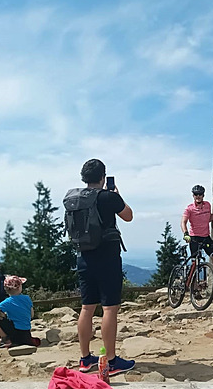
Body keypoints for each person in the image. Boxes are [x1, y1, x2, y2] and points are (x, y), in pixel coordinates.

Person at [74, 159, 135, 376]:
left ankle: (84, 359)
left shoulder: (76, 199)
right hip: (107, 257)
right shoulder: (108, 197)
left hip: (83, 257)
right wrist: (117, 194)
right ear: (102, 176)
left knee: (87, 307)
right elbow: (128, 216)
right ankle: (111, 360)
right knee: (109, 308)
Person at [180, 185, 213, 298]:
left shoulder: (207, 205)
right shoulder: (189, 208)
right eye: (196, 194)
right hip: (194, 238)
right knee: (195, 264)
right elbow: (183, 222)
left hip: (206, 237)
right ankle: (195, 289)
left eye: (200, 194)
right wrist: (186, 234)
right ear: (193, 195)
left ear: (203, 195)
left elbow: (209, 218)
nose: (198, 196)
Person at [0, 275, 41, 347]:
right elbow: (31, 315)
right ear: (19, 287)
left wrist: (0, 314)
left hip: (15, 333)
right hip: (26, 333)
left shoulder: (8, 302)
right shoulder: (27, 298)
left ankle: (6, 339)